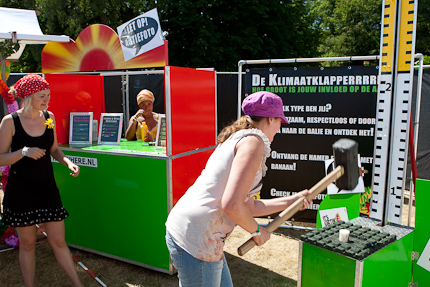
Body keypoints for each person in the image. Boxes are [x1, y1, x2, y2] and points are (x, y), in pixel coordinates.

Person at [165, 91, 313, 287]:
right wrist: (256, 230)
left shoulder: (243, 138)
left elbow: (248, 207)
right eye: (279, 121)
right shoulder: (254, 142)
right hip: (197, 237)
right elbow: (232, 205)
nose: (279, 128)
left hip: (201, 234)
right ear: (270, 119)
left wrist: (293, 201)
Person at [0, 74, 83, 287]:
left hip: (47, 190)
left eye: (48, 95)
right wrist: (24, 152)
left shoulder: (49, 117)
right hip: (21, 192)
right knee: (28, 245)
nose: (46, 100)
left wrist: (67, 162)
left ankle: (78, 284)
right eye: (41, 96)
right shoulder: (10, 121)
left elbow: (54, 149)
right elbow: (0, 158)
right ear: (27, 97)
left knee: (59, 241)